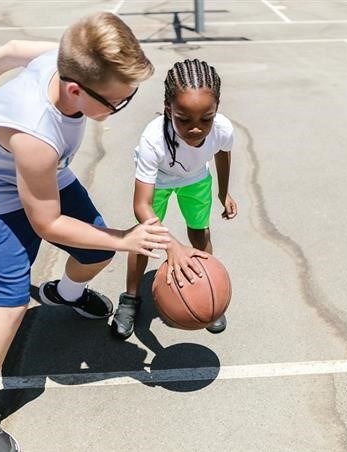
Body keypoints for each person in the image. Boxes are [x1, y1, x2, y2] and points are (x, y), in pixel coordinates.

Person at [0, 12, 170, 452]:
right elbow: (46, 223)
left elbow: (12, 48)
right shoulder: (35, 133)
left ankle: (62, 295)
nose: (122, 106)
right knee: (7, 306)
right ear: (75, 90)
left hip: (48, 173)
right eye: (117, 101)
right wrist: (125, 239)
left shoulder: (62, 59)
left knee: (94, 251)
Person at [110, 59, 237, 341]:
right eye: (184, 119)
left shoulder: (223, 129)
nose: (196, 129)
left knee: (200, 231)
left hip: (195, 179)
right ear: (169, 109)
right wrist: (171, 245)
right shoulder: (153, 140)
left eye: (206, 119)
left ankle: (206, 288)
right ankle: (131, 298)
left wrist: (223, 191)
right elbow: (141, 205)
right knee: (144, 238)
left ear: (216, 110)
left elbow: (222, 153)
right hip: (160, 181)